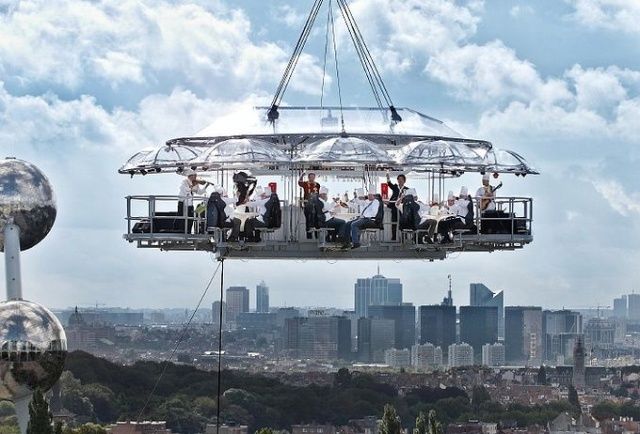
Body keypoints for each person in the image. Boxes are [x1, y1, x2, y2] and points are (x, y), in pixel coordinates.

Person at [178, 169, 209, 233]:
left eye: (196, 176)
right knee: (182, 219)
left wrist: (206, 186)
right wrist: (193, 185)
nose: (195, 177)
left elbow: (199, 192)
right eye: (194, 176)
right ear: (190, 176)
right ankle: (182, 232)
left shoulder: (195, 183)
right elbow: (186, 190)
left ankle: (188, 232)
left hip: (190, 205)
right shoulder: (184, 182)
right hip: (183, 203)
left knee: (190, 219)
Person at [386, 172, 409, 240]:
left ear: (404, 181)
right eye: (399, 179)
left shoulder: (407, 189)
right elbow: (389, 184)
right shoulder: (395, 187)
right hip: (394, 207)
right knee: (394, 222)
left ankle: (403, 237)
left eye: (401, 179)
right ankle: (394, 237)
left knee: (402, 222)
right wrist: (388, 177)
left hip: (402, 208)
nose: (400, 181)